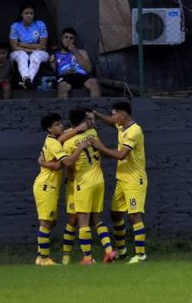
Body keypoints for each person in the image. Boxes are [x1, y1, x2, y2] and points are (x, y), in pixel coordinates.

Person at [91, 101, 148, 264]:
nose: (113, 117)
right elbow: (110, 122)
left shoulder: (134, 131)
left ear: (123, 115)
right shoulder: (121, 126)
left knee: (134, 215)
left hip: (134, 180)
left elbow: (121, 155)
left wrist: (100, 147)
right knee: (115, 213)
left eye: (115, 114)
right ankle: (122, 251)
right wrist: (97, 115)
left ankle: (140, 254)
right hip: (122, 178)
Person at [62, 107, 117, 265]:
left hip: (83, 182)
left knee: (83, 222)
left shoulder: (69, 142)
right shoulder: (93, 134)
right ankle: (108, 251)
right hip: (98, 180)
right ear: (83, 122)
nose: (92, 122)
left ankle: (88, 258)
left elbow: (69, 165)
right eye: (89, 119)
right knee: (97, 219)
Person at [33, 113, 85, 266]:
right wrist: (80, 148)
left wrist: (77, 129)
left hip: (50, 185)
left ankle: (40, 256)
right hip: (46, 185)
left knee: (51, 222)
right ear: (49, 129)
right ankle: (43, 258)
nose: (61, 126)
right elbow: (64, 163)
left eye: (61, 123)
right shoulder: (53, 143)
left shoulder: (54, 139)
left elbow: (69, 132)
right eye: (57, 124)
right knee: (46, 222)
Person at [50, 27, 100, 98]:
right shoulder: (54, 56)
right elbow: (54, 72)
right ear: (61, 39)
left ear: (74, 40)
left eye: (71, 38)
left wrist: (74, 51)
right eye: (66, 37)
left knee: (93, 83)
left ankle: (95, 108)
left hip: (81, 75)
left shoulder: (82, 52)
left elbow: (89, 69)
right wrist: (65, 72)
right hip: (65, 76)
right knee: (62, 86)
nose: (68, 40)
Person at [9, 2, 49, 89]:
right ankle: (27, 78)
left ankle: (27, 81)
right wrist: (32, 49)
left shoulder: (40, 24)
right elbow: (14, 47)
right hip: (18, 53)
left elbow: (42, 45)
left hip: (40, 52)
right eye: (26, 13)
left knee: (36, 55)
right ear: (21, 14)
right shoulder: (15, 26)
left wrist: (23, 44)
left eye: (31, 13)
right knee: (22, 55)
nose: (29, 15)